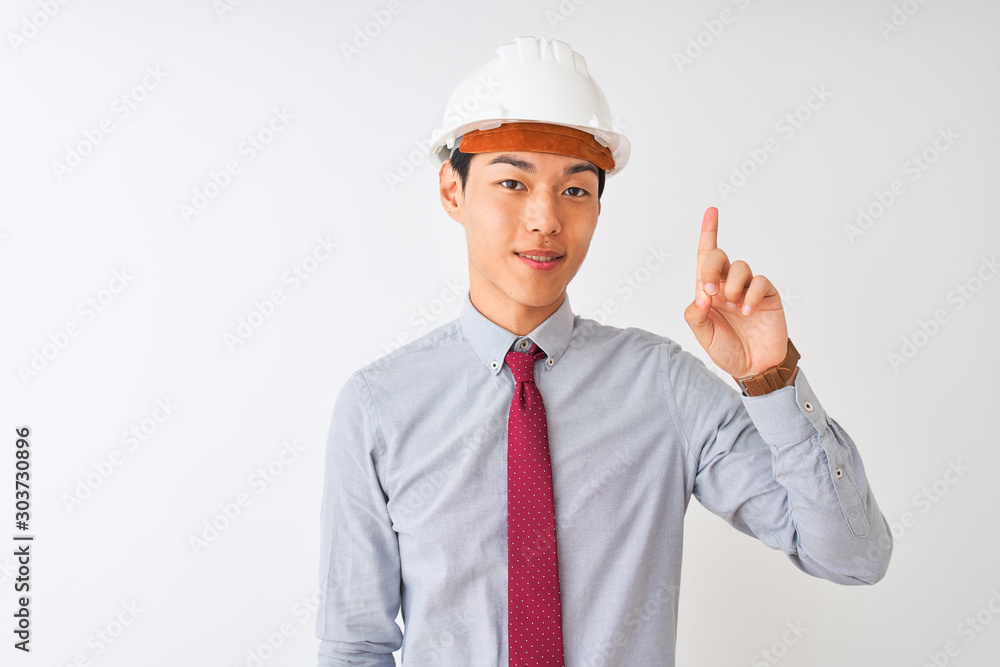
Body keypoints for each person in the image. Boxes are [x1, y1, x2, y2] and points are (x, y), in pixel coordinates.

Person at [316, 36, 892, 667]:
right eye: (512, 181)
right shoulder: (380, 405)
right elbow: (356, 645)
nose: (544, 219)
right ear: (453, 193)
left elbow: (854, 558)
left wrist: (773, 381)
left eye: (575, 190)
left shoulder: (662, 386)